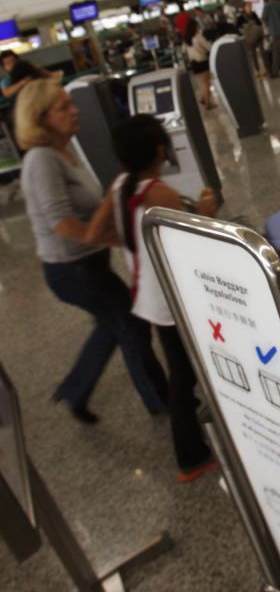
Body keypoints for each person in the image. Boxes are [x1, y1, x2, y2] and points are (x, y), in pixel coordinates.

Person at [16, 79, 169, 423]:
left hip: (88, 264)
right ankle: (160, 399)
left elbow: (95, 208)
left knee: (112, 322)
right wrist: (114, 239)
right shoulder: (41, 160)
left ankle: (76, 389)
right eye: (63, 107)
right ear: (40, 118)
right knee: (129, 322)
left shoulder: (64, 151)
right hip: (72, 270)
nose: (75, 110)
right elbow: (62, 223)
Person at [86, 115, 219, 482]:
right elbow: (197, 234)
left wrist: (129, 244)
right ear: (161, 149)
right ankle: (190, 457)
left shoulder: (120, 186)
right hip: (171, 298)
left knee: (180, 366)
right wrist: (209, 206)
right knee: (182, 374)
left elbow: (94, 232)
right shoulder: (159, 193)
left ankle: (197, 420)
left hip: (148, 294)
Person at [183, 18, 214, 108]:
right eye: (197, 26)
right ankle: (208, 103)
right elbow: (209, 47)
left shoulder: (186, 39)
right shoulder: (198, 37)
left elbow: (183, 50)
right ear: (194, 27)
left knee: (201, 83)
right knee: (206, 83)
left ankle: (203, 98)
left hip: (193, 63)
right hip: (202, 62)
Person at [240, 8, 266, 78]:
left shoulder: (253, 15)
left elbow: (260, 24)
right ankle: (258, 70)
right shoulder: (241, 18)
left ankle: (265, 68)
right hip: (251, 39)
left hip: (256, 37)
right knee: (254, 55)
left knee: (262, 53)